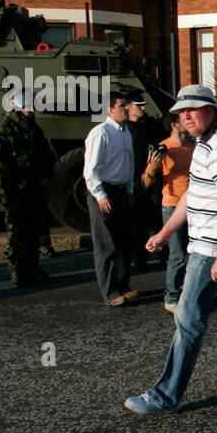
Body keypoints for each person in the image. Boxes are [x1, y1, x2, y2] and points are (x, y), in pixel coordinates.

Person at [124, 84, 217, 413]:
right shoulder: (208, 144)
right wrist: (166, 232)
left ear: (212, 111)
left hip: (212, 250)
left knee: (188, 321)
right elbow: (193, 193)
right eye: (181, 112)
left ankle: (165, 396)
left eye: (193, 110)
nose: (186, 116)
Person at [0, 87, 57, 287]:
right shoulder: (4, 130)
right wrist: (16, 180)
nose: (32, 110)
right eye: (28, 106)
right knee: (18, 230)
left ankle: (32, 266)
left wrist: (45, 177)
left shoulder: (34, 129)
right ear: (17, 107)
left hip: (34, 187)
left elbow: (45, 155)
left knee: (35, 228)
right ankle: (17, 269)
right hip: (14, 189)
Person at [83, 91, 138, 306]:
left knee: (124, 241)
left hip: (122, 190)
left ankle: (123, 285)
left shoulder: (126, 132)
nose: (127, 108)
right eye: (122, 105)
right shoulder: (100, 133)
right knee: (107, 243)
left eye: (127, 104)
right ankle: (110, 292)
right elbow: (91, 169)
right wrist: (100, 195)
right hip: (104, 190)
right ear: (110, 109)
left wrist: (131, 189)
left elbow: (129, 164)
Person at [141, 113, 194, 312]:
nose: (188, 123)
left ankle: (188, 294)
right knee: (178, 253)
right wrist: (154, 166)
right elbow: (146, 182)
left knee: (194, 253)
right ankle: (171, 298)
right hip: (172, 204)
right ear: (174, 125)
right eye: (183, 120)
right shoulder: (163, 148)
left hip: (195, 204)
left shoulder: (193, 146)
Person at [125, 95, 164, 273]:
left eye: (143, 105)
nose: (143, 108)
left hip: (155, 177)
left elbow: (165, 142)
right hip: (134, 179)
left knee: (158, 218)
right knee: (137, 221)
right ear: (129, 108)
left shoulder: (152, 125)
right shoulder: (124, 128)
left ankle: (165, 255)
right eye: (138, 106)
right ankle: (140, 258)